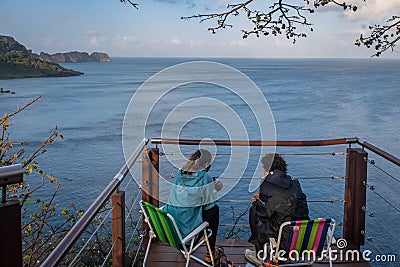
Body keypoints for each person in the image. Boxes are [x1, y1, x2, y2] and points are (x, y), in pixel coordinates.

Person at [245, 153, 309, 266]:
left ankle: (260, 253)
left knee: (254, 211)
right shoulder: (295, 183)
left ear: (268, 170)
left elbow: (262, 212)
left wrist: (257, 202)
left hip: (283, 240)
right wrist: (262, 198)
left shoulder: (266, 184)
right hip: (302, 237)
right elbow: (285, 203)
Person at [165, 149, 223, 263]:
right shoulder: (205, 178)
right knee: (214, 210)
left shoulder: (180, 173)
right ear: (206, 164)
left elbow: (190, 196)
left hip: (172, 227)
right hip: (186, 230)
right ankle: (210, 252)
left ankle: (209, 251)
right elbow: (208, 206)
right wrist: (214, 189)